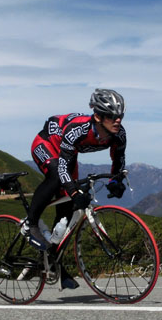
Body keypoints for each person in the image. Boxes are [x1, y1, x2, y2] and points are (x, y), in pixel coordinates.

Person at [26, 88, 127, 289]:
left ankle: (54, 264)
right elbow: (63, 166)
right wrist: (73, 191)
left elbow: (118, 160)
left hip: (68, 155)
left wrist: (116, 182)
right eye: (112, 116)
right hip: (46, 143)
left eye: (121, 116)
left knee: (66, 213)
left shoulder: (119, 134)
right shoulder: (78, 130)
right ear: (98, 116)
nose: (118, 120)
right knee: (57, 177)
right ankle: (31, 224)